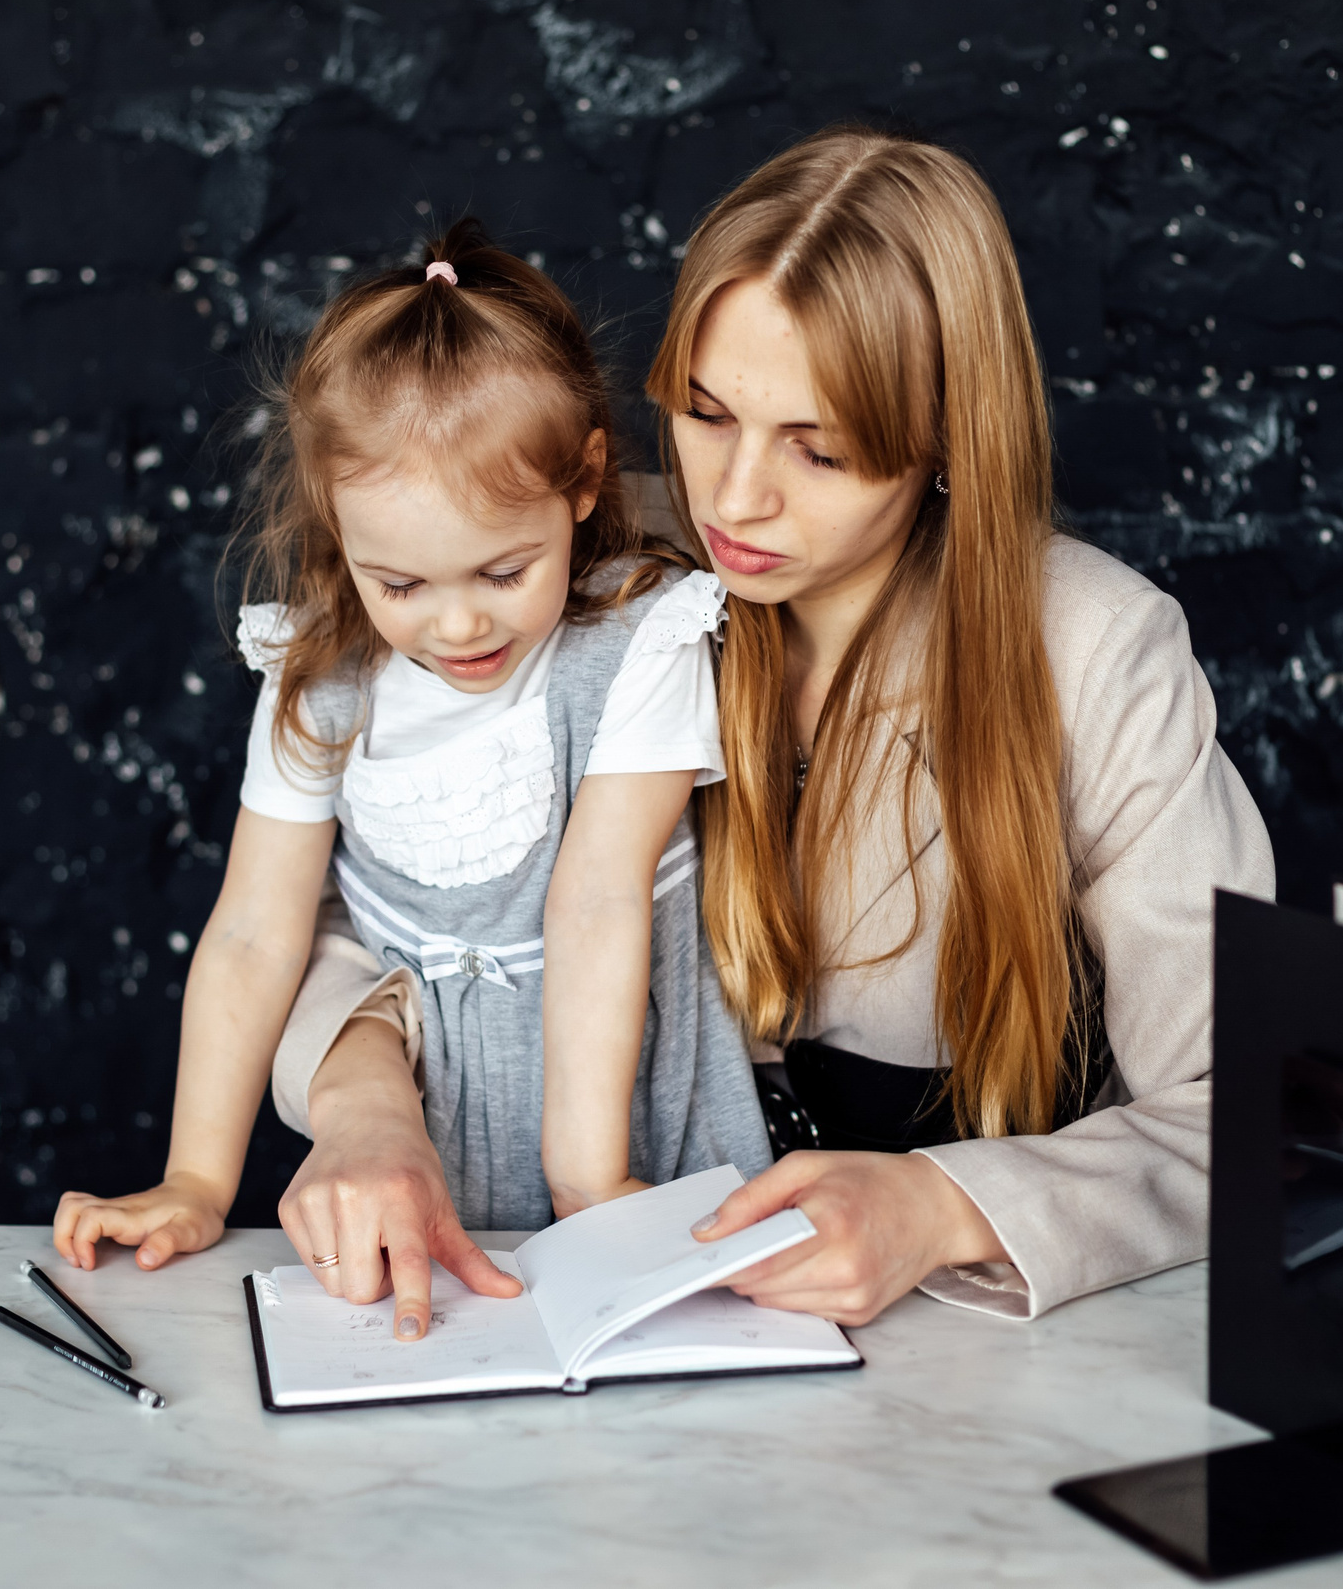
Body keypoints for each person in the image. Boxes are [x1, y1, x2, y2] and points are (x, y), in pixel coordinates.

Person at [273, 124, 1275, 1336]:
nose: (734, 498)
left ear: (946, 437)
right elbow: (366, 900)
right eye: (704, 414)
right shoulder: (569, 572)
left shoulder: (1095, 649)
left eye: (820, 448)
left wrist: (944, 1205)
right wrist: (365, 1101)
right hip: (585, 1297)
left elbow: (1247, 1105)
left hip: (958, 1351)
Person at [50, 221, 772, 1335]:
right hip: (425, 1145)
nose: (458, 624)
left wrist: (589, 1181)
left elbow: (597, 898)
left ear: (584, 480)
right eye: (400, 584)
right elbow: (252, 929)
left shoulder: (641, 636)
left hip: (618, 1117)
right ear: (338, 532)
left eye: (503, 570)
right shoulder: (320, 674)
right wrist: (196, 1177)